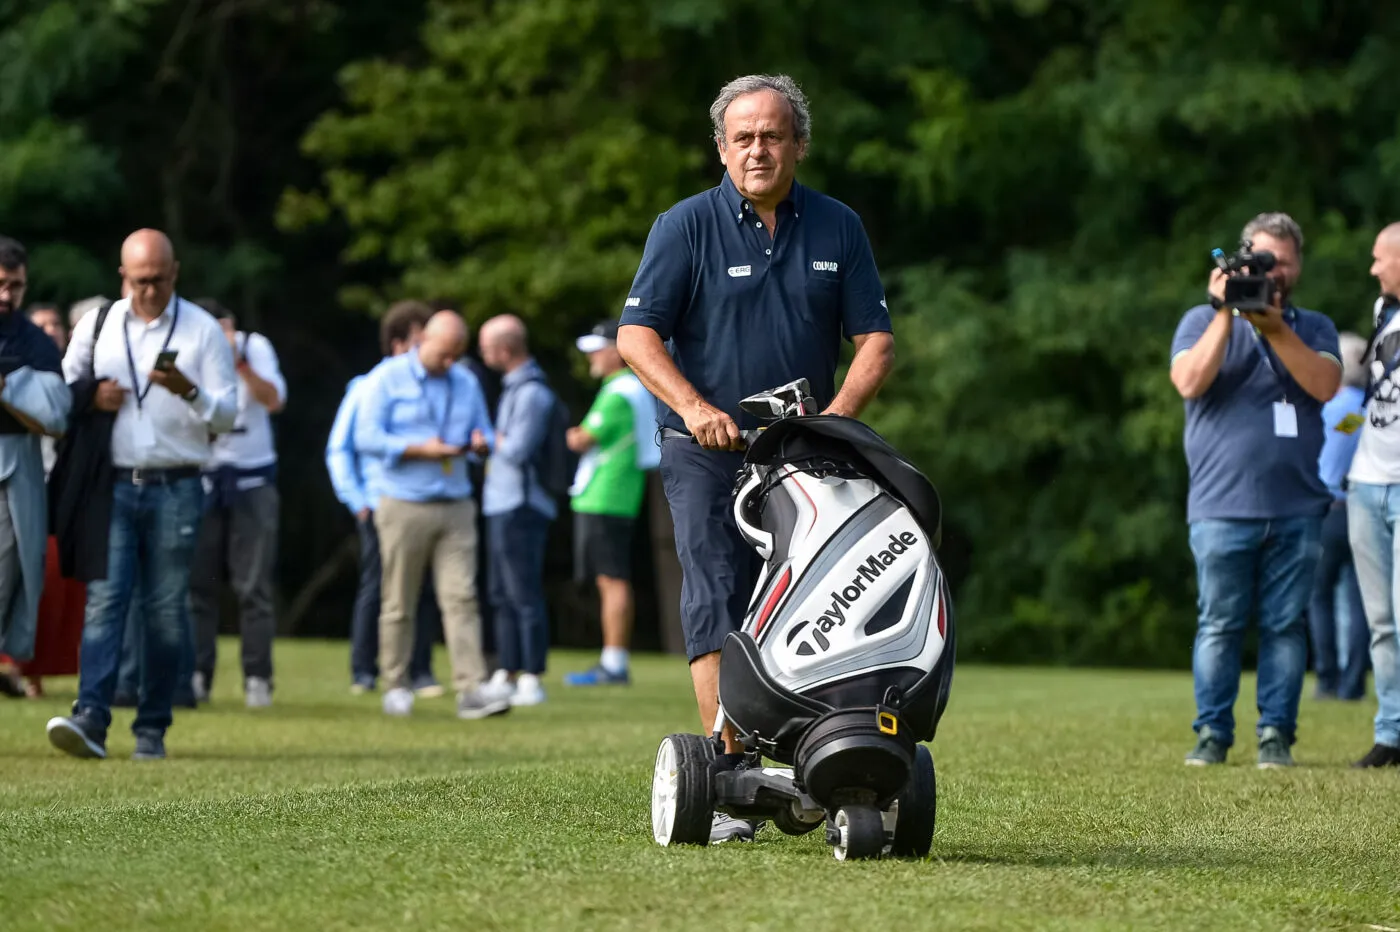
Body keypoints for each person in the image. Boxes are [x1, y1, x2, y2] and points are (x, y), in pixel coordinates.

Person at [616, 74, 895, 842]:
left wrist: (835, 425)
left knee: (817, 595)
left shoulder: (839, 227)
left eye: (772, 135)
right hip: (704, 450)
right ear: (721, 148)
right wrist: (695, 408)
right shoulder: (685, 226)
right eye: (743, 138)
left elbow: (875, 340)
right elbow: (635, 337)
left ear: (798, 144)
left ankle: (822, 750)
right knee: (717, 590)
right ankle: (729, 772)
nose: (758, 150)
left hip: (802, 452)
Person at [46, 229, 238, 761]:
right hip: (113, 483)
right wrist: (93, 395)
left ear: (174, 273)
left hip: (176, 482)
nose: (148, 291)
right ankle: (91, 718)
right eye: (138, 281)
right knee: (105, 601)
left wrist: (188, 390)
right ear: (122, 277)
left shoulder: (201, 330)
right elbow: (62, 394)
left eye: (157, 280)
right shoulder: (100, 323)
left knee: (165, 609)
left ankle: (152, 726)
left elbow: (229, 412)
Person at [1169, 212, 1341, 769]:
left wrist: (1272, 324)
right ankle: (1212, 736)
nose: (1272, 273)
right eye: (1261, 261)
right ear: (1240, 259)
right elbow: (1189, 381)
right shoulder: (1199, 319)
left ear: (1296, 267)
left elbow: (1323, 383)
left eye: (1282, 262)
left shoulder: (1313, 327)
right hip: (1221, 507)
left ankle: (1275, 737)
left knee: (1285, 627)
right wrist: (1227, 312)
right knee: (1218, 625)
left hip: (1297, 506)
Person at [353, 309, 506, 720]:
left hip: (455, 502)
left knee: (462, 597)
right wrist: (421, 448)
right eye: (444, 353)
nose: (450, 362)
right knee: (398, 599)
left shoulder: (465, 380)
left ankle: (471, 688)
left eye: (457, 354)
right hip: (403, 501)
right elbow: (365, 437)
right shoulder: (385, 379)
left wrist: (481, 443)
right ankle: (396, 683)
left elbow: (486, 432)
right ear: (423, 341)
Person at [325, 300, 443, 696]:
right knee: (378, 588)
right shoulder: (368, 385)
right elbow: (340, 448)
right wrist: (357, 500)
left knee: (422, 590)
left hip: (424, 503)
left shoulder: (439, 385)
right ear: (397, 344)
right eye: (416, 341)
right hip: (380, 503)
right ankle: (364, 669)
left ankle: (420, 669)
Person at [187, 298, 287, 708]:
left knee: (254, 586)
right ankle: (196, 675)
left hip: (253, 478)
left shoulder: (255, 346)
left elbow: (275, 400)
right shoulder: (189, 351)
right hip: (204, 478)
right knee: (198, 586)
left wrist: (240, 362)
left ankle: (258, 677)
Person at [563, 320, 660, 686]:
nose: (592, 356)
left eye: (597, 348)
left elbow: (584, 438)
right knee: (610, 578)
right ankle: (612, 659)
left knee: (612, 579)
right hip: (614, 495)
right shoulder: (628, 388)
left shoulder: (618, 391)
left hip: (606, 495)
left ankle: (614, 661)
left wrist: (574, 434)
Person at [0, 238, 72, 696]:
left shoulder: (34, 341)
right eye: (0, 285)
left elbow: (56, 414)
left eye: (16, 286)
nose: (7, 295)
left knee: (4, 577)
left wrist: (8, 386)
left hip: (12, 466)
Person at [480, 314, 561, 707]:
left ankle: (532, 675)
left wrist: (484, 435)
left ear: (504, 348)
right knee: (501, 592)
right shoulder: (512, 388)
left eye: (486, 346)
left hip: (522, 504)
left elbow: (516, 449)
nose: (482, 355)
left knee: (523, 591)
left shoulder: (531, 393)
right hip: (500, 503)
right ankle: (507, 669)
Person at [1342, 221, 1400, 769]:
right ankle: (1391, 732)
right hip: (1367, 484)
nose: (1373, 268)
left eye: (1381, 258)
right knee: (1380, 620)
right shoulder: (1383, 314)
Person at [18, 296, 91, 698]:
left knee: (54, 582)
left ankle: (34, 673)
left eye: (54, 325)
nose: (49, 332)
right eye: (40, 325)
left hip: (58, 490)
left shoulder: (72, 379)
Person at [1308, 331, 1370, 702]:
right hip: (1361, 508)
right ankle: (1354, 684)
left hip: (1327, 509)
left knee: (1319, 597)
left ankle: (1327, 679)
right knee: (1358, 600)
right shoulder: (1370, 408)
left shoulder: (1330, 407)